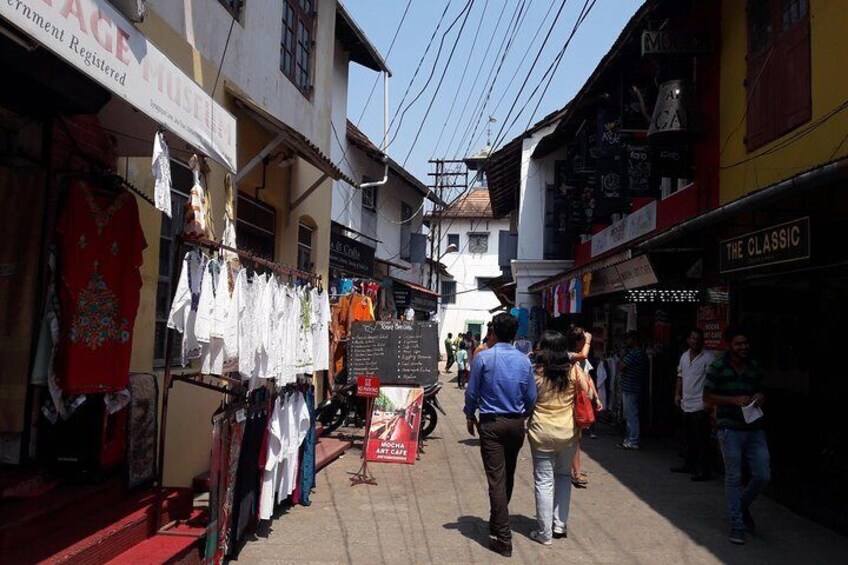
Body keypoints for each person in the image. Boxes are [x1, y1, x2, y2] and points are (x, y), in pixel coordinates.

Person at [464, 313, 537, 557]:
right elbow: (531, 398)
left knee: (496, 479)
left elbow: (472, 392)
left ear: (493, 331)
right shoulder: (525, 361)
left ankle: (503, 537)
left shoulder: (483, 358)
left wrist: (469, 415)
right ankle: (497, 521)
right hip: (516, 424)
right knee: (508, 475)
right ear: (515, 334)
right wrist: (522, 415)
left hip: (492, 424)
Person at [528, 329, 602, 545]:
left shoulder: (535, 371)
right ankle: (559, 526)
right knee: (562, 477)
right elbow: (588, 393)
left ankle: (544, 533)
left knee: (543, 481)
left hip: (541, 431)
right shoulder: (573, 370)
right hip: (568, 432)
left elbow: (527, 399)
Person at [704, 327, 768, 545]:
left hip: (754, 428)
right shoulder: (718, 367)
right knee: (733, 477)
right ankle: (737, 524)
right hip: (729, 429)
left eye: (745, 343)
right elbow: (707, 397)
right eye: (739, 343)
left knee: (762, 475)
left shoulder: (754, 367)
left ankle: (740, 505)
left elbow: (761, 389)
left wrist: (759, 396)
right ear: (729, 345)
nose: (743, 347)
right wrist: (732, 400)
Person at [673, 328, 716, 481]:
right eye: (693, 338)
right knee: (689, 437)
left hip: (700, 404)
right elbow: (680, 376)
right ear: (688, 340)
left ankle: (705, 471)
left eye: (698, 339)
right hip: (686, 403)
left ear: (702, 341)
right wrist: (677, 394)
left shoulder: (708, 358)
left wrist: (709, 401)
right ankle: (689, 465)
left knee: (703, 439)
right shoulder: (684, 357)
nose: (695, 341)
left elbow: (712, 381)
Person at [617, 331, 648, 450]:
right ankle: (629, 439)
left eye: (628, 339)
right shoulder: (638, 353)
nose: (626, 341)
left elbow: (621, 366)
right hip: (631, 387)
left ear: (634, 340)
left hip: (631, 388)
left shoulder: (635, 353)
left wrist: (623, 357)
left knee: (631, 415)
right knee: (629, 415)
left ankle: (633, 440)